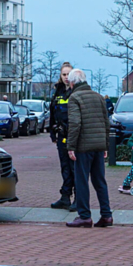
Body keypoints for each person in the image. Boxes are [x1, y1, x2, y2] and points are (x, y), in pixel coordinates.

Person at [65, 68, 114, 228]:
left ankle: (84, 216)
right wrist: (105, 144)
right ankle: (106, 215)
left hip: (83, 147)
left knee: (81, 181)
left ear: (72, 83)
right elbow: (106, 122)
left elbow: (75, 123)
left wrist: (71, 146)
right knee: (100, 181)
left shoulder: (75, 98)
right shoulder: (99, 97)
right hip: (99, 146)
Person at [48, 62, 76, 211]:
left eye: (68, 74)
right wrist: (52, 132)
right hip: (61, 135)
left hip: (73, 136)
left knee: (74, 168)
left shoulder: (76, 91)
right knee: (65, 167)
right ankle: (65, 197)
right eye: (64, 74)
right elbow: (53, 113)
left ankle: (78, 199)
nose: (66, 77)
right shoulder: (57, 91)